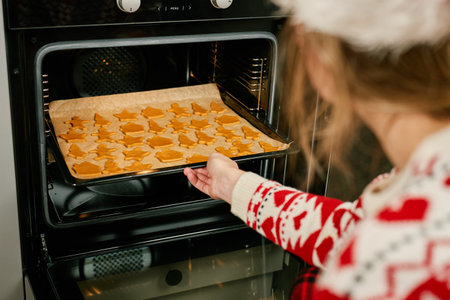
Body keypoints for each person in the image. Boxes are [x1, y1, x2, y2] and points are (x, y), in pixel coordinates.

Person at [184, 0, 450, 299]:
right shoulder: (425, 189)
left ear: (325, 61)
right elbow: (348, 230)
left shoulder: (370, 275)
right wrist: (234, 185)